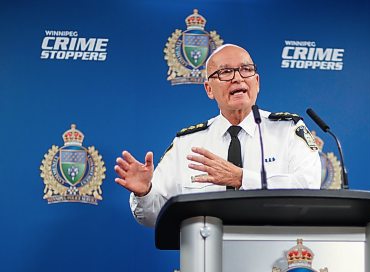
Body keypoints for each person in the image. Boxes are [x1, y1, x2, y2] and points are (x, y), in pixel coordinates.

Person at [114, 44, 321, 227]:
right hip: (206, 259)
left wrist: (241, 178)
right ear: (209, 89)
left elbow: (309, 189)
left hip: (274, 262)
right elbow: (153, 216)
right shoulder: (187, 144)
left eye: (246, 70)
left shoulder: (288, 130)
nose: (237, 77)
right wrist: (144, 192)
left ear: (256, 82)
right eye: (225, 72)